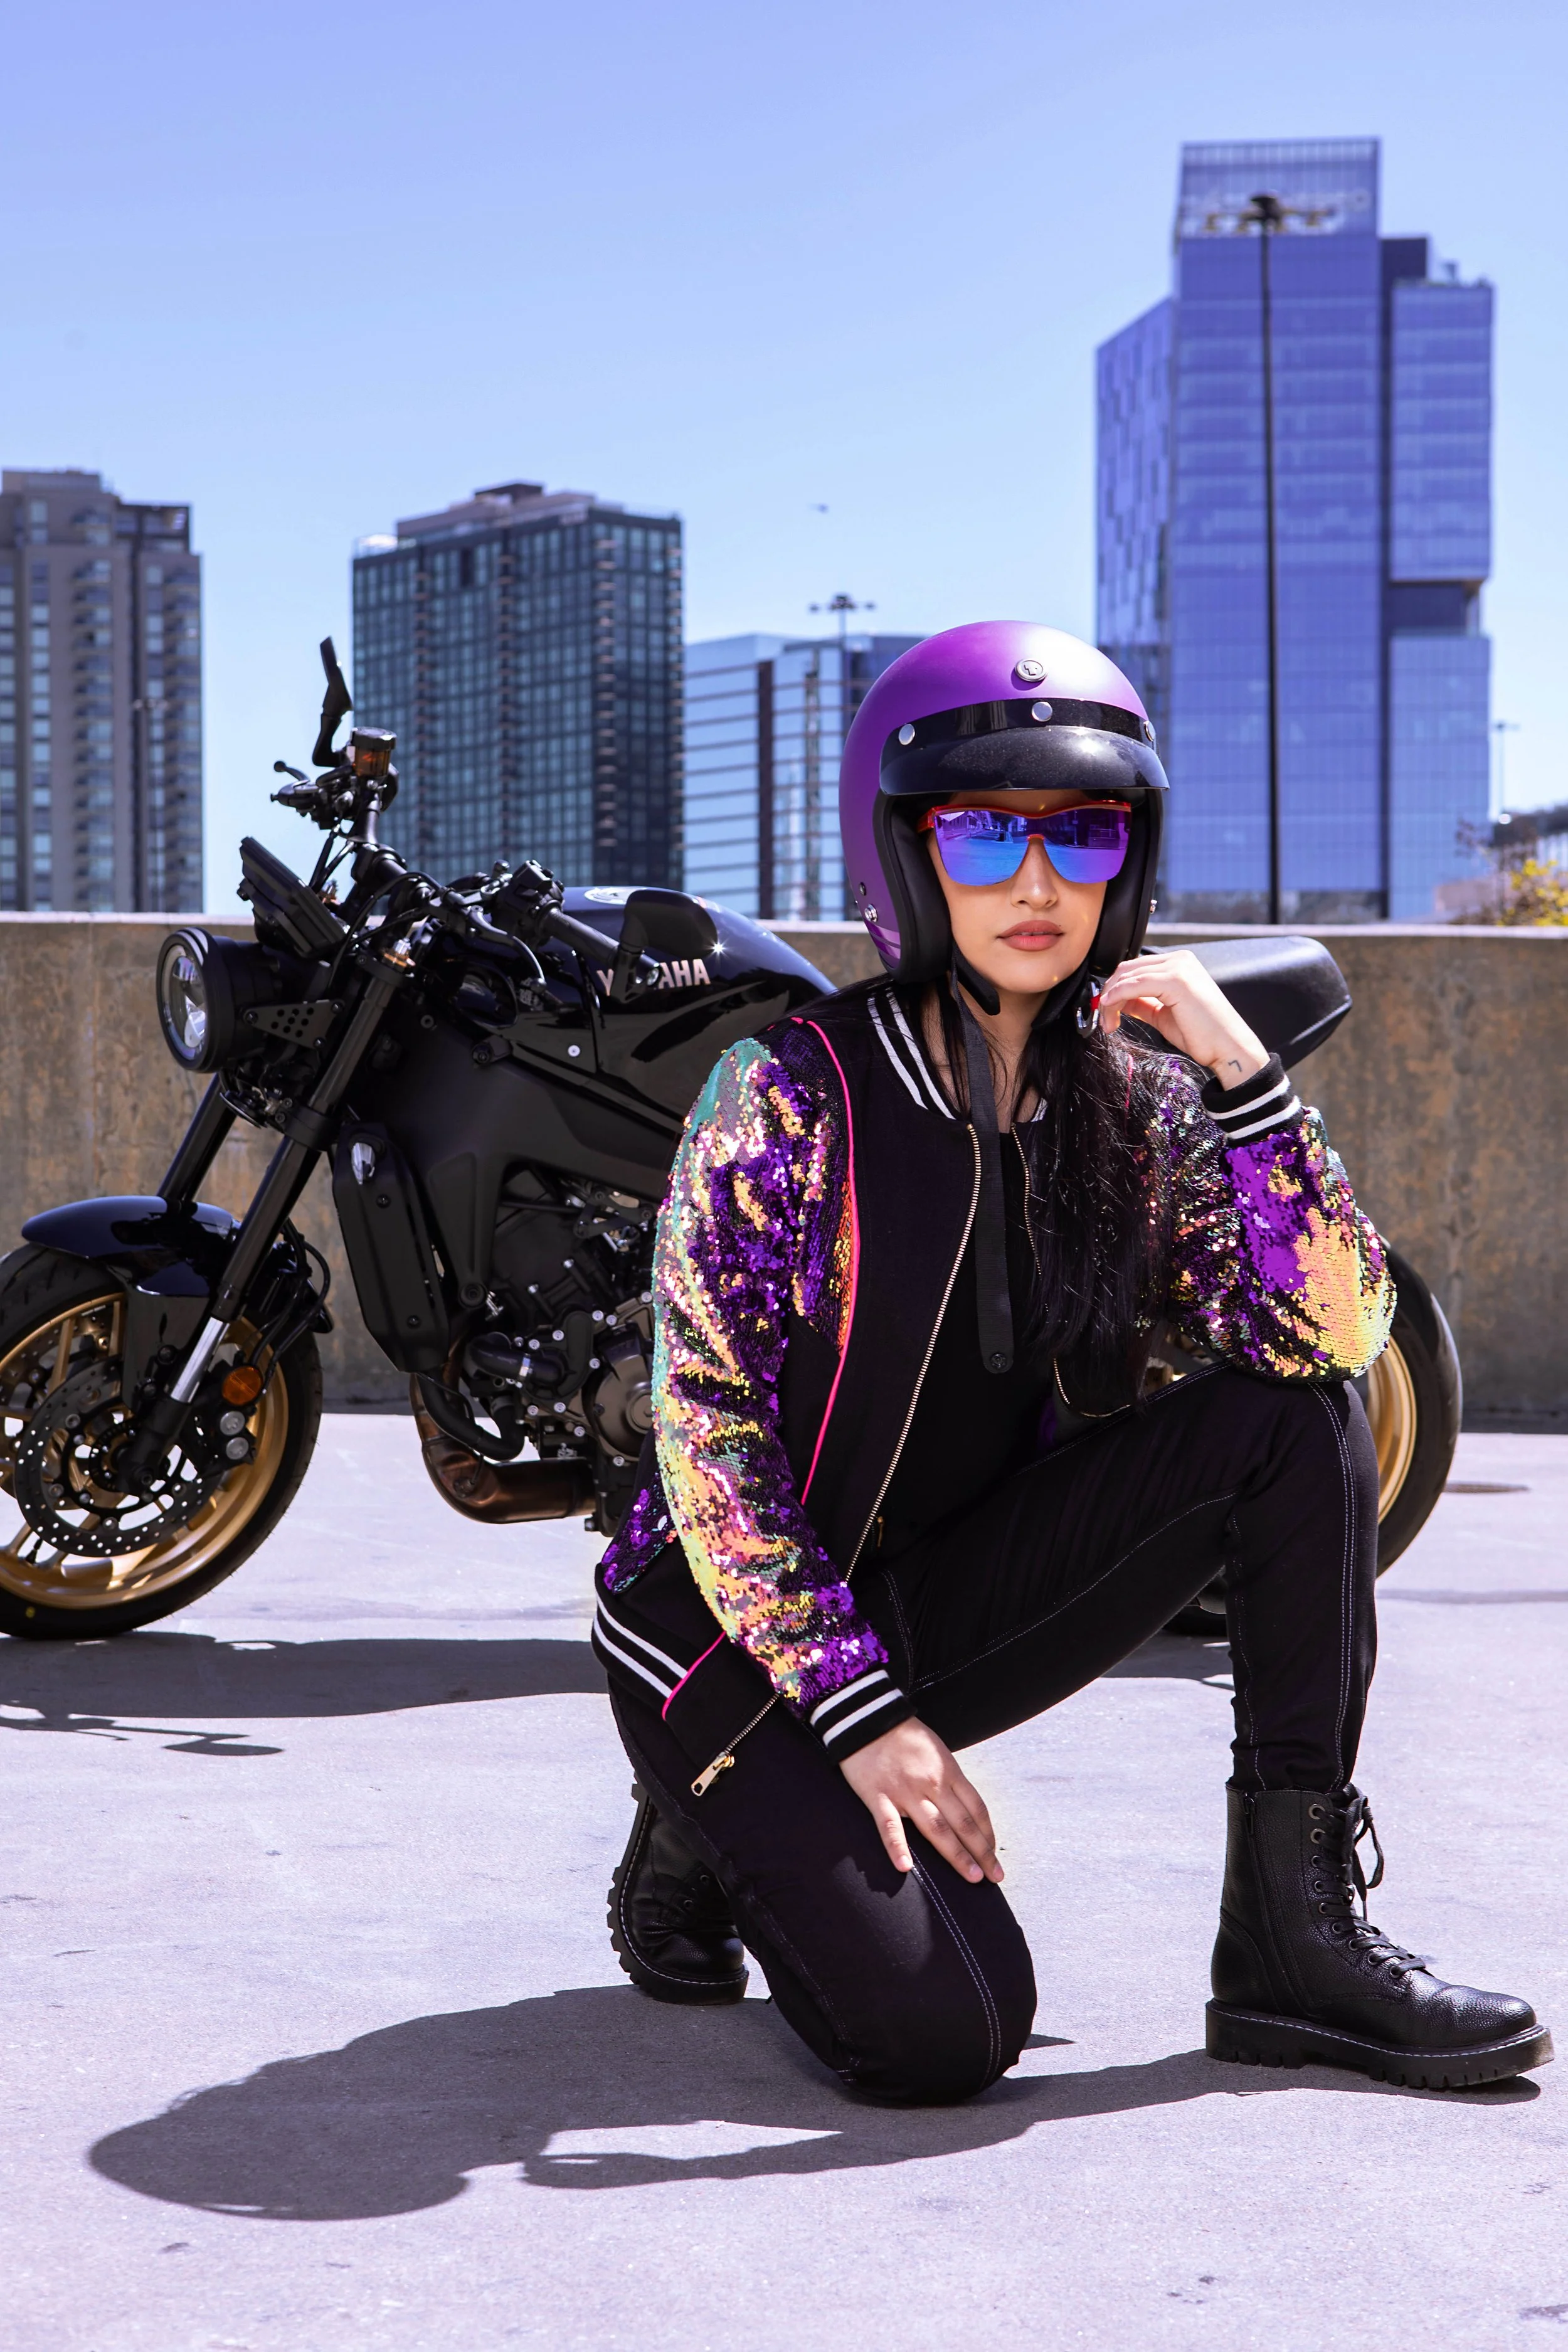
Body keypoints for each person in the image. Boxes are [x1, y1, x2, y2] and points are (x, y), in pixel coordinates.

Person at [591, 620, 1550, 2102]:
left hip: (939, 1592)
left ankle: (1291, 1936)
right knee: (946, 2038)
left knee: (1288, 1423)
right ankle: (701, 1823)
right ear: (903, 849)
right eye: (982, 834)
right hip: (723, 1628)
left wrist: (1244, 1082)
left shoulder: (1135, 1104)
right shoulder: (785, 1096)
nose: (1035, 885)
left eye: (1083, 834)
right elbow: (705, 1438)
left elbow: (1335, 1336)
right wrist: (857, 1721)